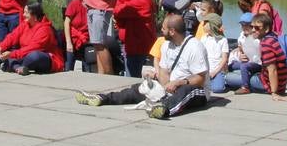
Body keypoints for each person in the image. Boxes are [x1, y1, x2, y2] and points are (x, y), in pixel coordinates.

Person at [75, 14, 207, 119]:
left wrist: (180, 82)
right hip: (171, 88)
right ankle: (102, 98)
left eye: (164, 28)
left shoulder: (194, 46)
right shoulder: (166, 45)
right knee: (138, 89)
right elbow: (164, 72)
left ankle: (163, 109)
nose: (161, 30)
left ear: (172, 31)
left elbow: (201, 79)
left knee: (185, 91)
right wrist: (160, 83)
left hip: (194, 89)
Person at [0, 3, 63, 74]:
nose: (23, 15)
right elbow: (12, 37)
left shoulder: (45, 30)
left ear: (34, 16)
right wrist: (1, 47)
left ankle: (14, 66)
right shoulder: (25, 24)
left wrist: (11, 55)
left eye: (26, 13)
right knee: (11, 57)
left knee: (34, 56)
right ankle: (18, 68)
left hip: (45, 58)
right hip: (24, 55)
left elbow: (32, 49)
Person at [114, 0, 157, 78]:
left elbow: (117, 11)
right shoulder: (140, 0)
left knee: (131, 78)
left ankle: (133, 93)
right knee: (132, 74)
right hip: (135, 44)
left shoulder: (142, 1)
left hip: (137, 46)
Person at [252, 12, 287, 99]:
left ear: (266, 29)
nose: (253, 30)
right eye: (252, 27)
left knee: (231, 78)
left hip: (270, 83)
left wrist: (274, 93)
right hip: (282, 82)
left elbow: (272, 70)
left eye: (257, 28)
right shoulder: (272, 38)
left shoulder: (266, 45)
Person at [226, 12, 264, 93]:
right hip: (247, 62)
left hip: (257, 64)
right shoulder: (241, 36)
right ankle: (226, 78)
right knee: (232, 64)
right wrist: (241, 55)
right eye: (242, 25)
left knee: (244, 66)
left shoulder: (257, 38)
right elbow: (241, 49)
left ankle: (245, 87)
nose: (245, 27)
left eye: (248, 25)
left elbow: (259, 54)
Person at [198, 10, 230, 93]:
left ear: (212, 25)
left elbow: (224, 59)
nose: (203, 26)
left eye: (205, 24)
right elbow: (200, 55)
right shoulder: (204, 38)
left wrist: (215, 72)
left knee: (217, 89)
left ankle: (223, 79)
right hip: (205, 70)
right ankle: (208, 83)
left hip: (217, 70)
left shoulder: (223, 40)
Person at [63, 0, 90, 72]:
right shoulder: (75, 4)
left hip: (87, 40)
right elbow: (66, 22)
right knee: (69, 67)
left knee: (88, 68)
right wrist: (69, 43)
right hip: (73, 38)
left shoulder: (93, 6)